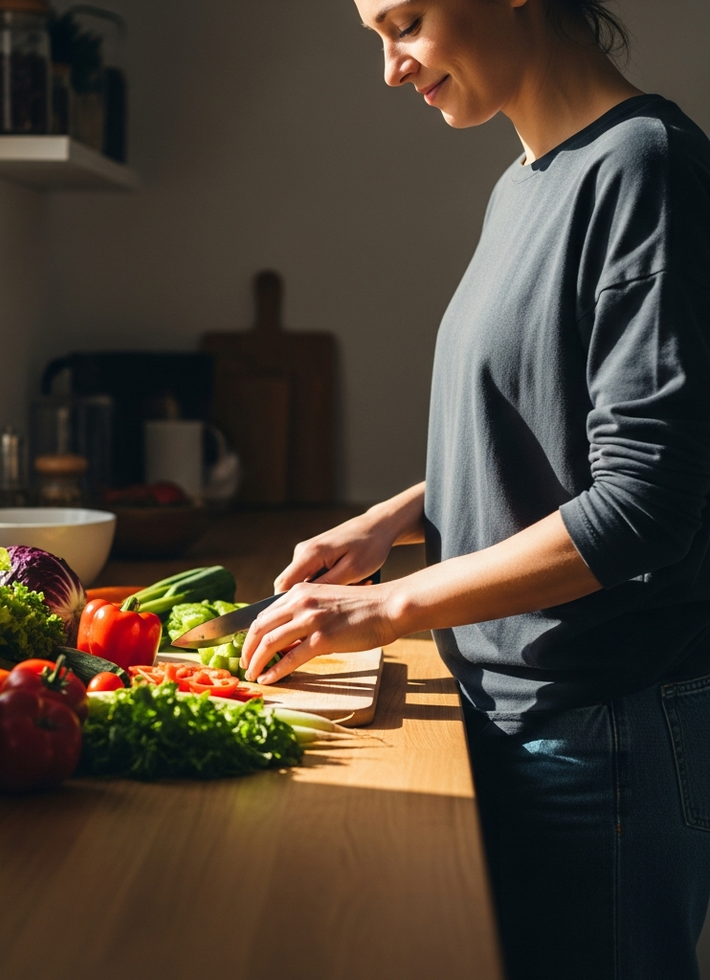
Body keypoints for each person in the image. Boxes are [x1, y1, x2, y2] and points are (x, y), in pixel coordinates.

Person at [238, 1, 710, 977]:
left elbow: (644, 503)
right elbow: (552, 427)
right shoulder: (524, 182)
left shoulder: (642, 171)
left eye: (403, 22)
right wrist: (391, 520)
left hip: (600, 723)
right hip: (517, 708)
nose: (389, 68)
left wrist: (387, 604)